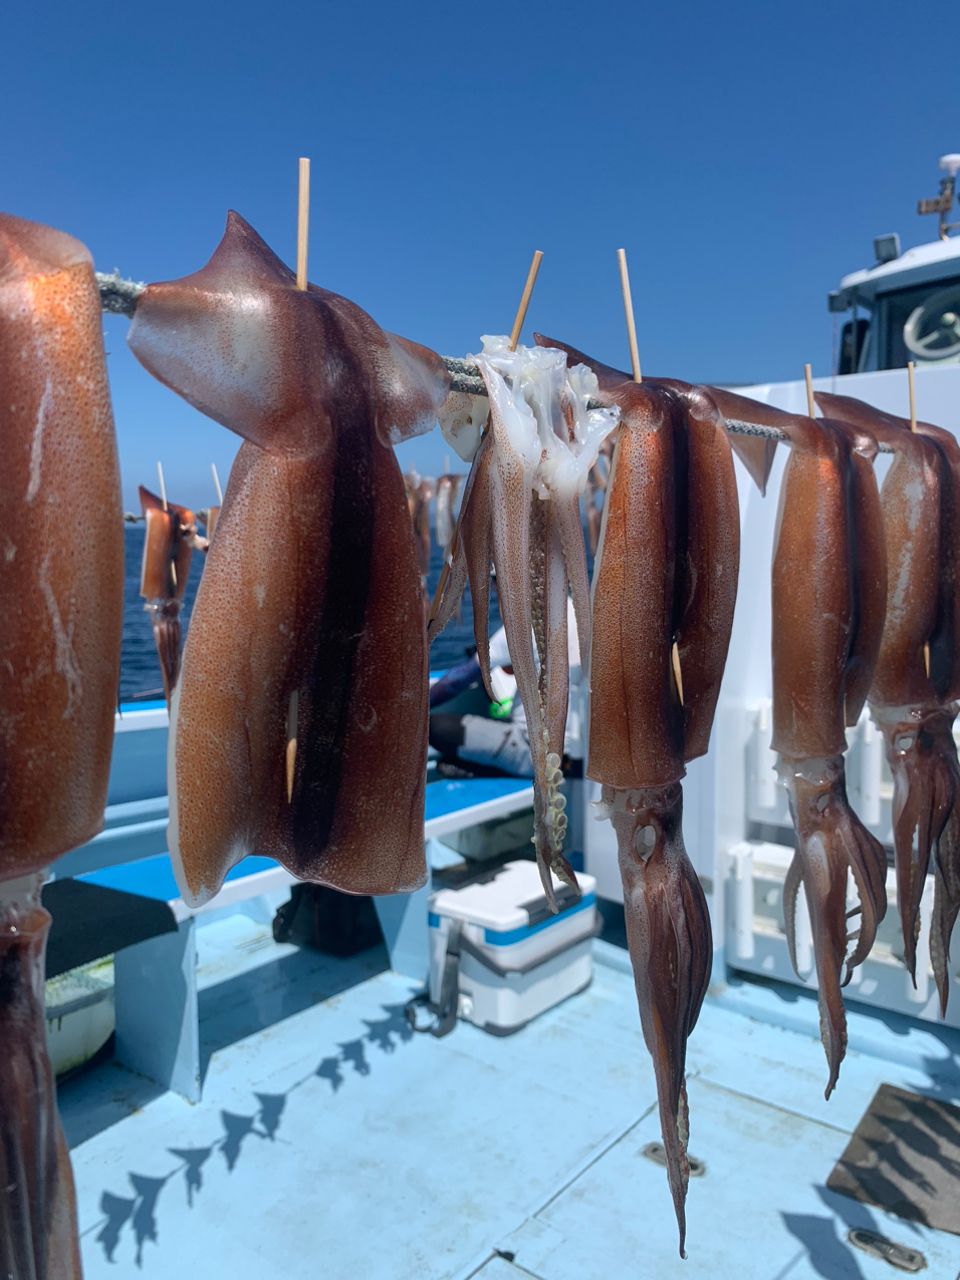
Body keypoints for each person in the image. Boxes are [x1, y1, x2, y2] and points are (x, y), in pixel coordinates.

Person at [429, 598, 581, 778]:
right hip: (582, 753)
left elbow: (455, 682)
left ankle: (492, 770)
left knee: (436, 728)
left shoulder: (523, 625)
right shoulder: (576, 610)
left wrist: (414, 711)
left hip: (543, 757)